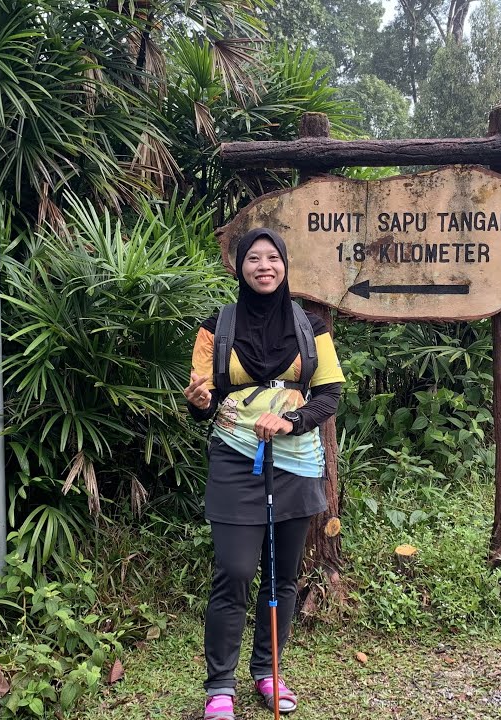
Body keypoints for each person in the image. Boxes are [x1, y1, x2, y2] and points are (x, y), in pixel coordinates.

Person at [183, 228, 344, 720]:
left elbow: (329, 396)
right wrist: (199, 403)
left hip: (295, 463)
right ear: (240, 267)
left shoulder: (311, 327)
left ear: (284, 265)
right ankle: (220, 689)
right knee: (234, 571)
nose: (264, 266)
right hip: (236, 460)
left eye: (272, 257)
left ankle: (268, 672)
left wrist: (291, 421)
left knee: (283, 577)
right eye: (254, 258)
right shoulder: (215, 328)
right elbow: (203, 404)